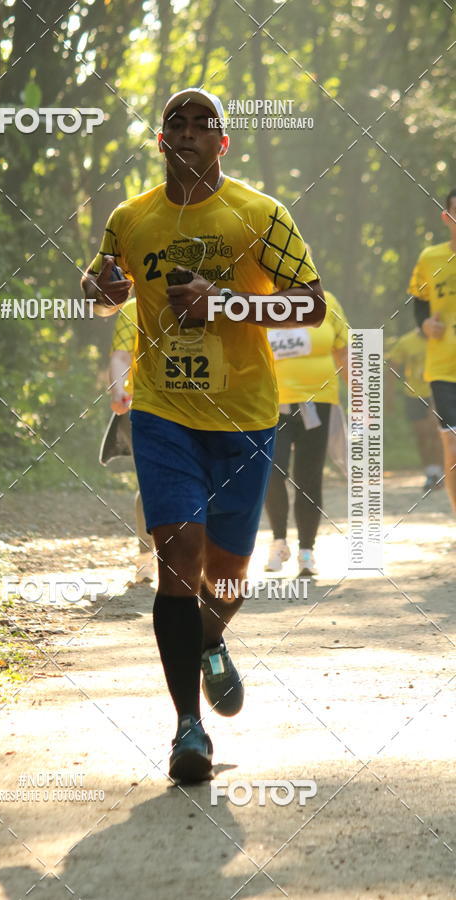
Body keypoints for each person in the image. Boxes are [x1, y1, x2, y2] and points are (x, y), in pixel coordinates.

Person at [81, 88, 325, 782]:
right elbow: (100, 291)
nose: (187, 133)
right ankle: (188, 729)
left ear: (223, 143)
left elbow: (310, 304)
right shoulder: (130, 219)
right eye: (176, 124)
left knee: (225, 577)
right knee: (178, 554)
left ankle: (211, 637)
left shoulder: (261, 214)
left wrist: (226, 304)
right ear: (161, 140)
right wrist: (100, 291)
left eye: (202, 124)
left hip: (244, 414)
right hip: (163, 410)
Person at [264, 290, 349, 577]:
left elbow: (344, 352)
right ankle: (278, 541)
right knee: (271, 470)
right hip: (271, 405)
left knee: (309, 478)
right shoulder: (257, 301)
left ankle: (306, 551)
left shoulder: (328, 301)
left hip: (318, 402)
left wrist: (363, 399)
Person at [100, 297, 156, 583]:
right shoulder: (134, 308)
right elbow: (121, 356)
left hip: (196, 412)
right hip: (144, 409)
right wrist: (118, 389)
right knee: (150, 482)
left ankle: (195, 555)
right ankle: (146, 556)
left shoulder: (201, 301)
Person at [410, 188, 456, 514]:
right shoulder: (430, 258)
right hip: (444, 369)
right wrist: (425, 325)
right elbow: (419, 304)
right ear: (446, 217)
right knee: (452, 445)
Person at [386, 328, 443, 492]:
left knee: (436, 432)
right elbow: (392, 367)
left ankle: (439, 473)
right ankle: (429, 473)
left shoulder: (443, 339)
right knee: (422, 435)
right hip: (414, 395)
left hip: (437, 392)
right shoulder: (406, 342)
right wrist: (389, 395)